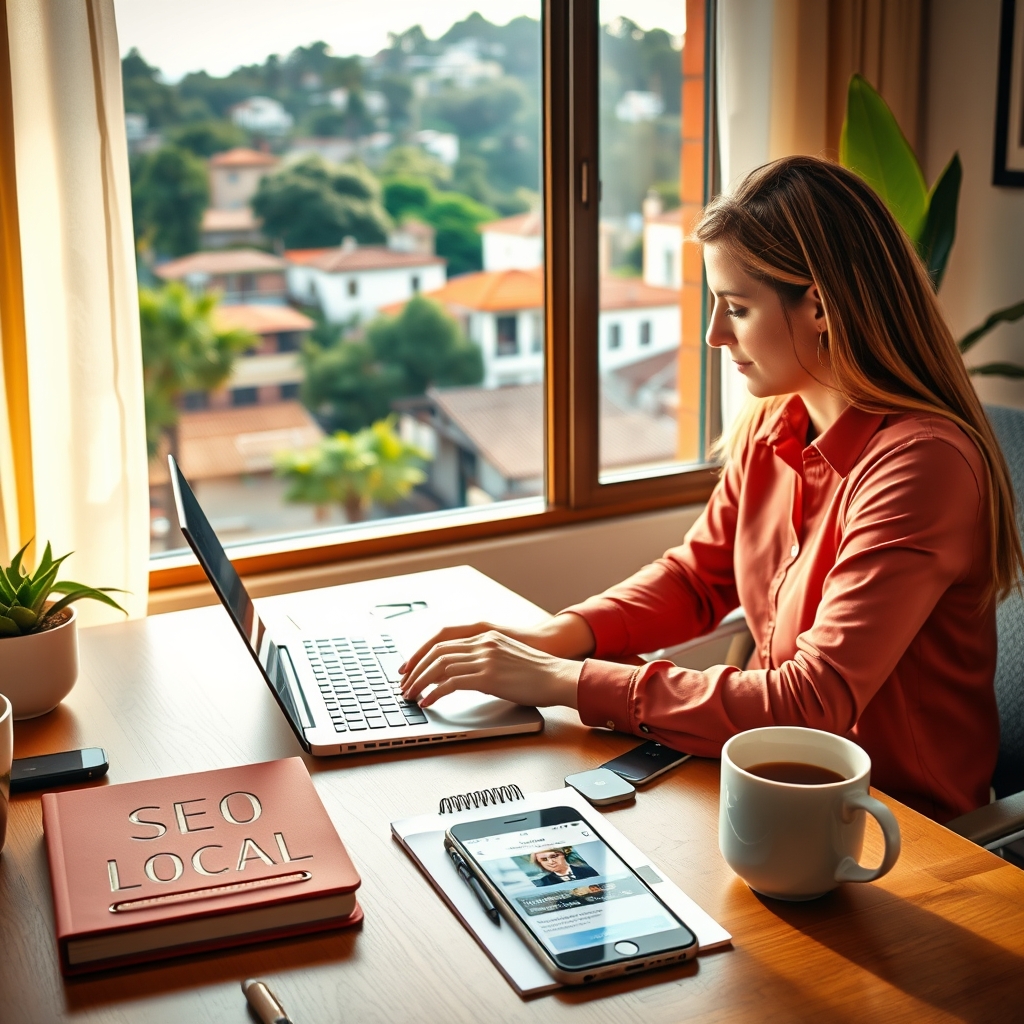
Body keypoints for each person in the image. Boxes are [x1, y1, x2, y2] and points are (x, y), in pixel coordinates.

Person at [400, 156, 1023, 824]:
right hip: (766, 790)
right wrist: (556, 637)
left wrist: (564, 681)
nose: (714, 335)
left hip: (895, 829)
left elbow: (811, 703)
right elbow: (698, 578)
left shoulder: (921, 466)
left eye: (738, 309)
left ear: (819, 305)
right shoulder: (774, 421)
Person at [529, 847, 599, 886]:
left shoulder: (588, 871)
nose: (551, 862)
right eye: (544, 859)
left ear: (564, 855)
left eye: (554, 856)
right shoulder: (542, 882)